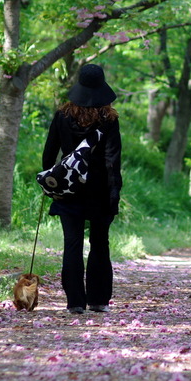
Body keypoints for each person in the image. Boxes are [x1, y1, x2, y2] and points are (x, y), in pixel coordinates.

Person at [42, 63, 122, 314]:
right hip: (100, 192)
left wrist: (51, 185)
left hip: (69, 190)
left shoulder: (62, 116)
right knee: (100, 243)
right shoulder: (109, 120)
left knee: (72, 244)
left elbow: (48, 155)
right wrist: (114, 193)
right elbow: (112, 160)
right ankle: (98, 300)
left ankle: (75, 301)